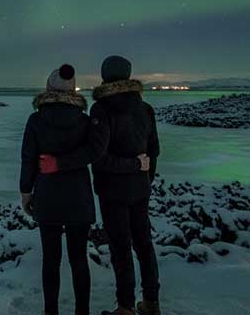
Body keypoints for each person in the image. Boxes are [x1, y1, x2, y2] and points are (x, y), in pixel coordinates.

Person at [39, 56, 161, 315]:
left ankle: (126, 307)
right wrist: (143, 175)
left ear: (105, 77)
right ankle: (151, 302)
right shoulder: (146, 109)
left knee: (121, 247)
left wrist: (58, 164)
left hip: (112, 190)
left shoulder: (101, 110)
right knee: (144, 243)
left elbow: (99, 155)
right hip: (140, 189)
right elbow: (154, 153)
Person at [20, 64, 110, 315]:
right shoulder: (84, 120)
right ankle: (83, 311)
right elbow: (94, 152)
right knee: (79, 259)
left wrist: (26, 192)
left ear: (49, 88)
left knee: (51, 260)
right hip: (78, 198)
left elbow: (28, 158)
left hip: (47, 197)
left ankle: (51, 312)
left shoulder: (36, 120)